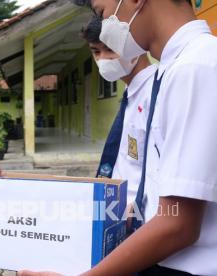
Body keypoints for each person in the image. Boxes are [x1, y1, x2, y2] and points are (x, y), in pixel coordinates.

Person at [20, 0, 217, 275]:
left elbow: (179, 225)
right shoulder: (175, 69)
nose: (107, 24)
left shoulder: (196, 67)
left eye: (102, 12)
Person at [82, 14, 157, 205]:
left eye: (110, 49)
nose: (103, 59)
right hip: (117, 214)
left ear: (135, 44)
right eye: (96, 52)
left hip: (141, 217)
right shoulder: (131, 94)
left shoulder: (157, 93)